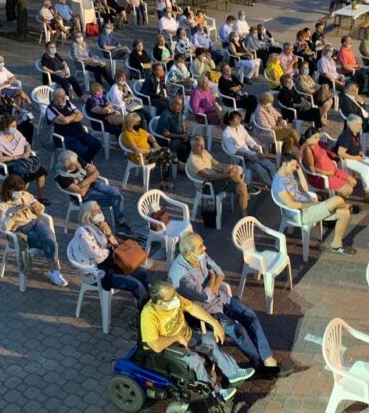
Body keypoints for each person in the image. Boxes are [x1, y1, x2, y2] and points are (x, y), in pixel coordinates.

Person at [170, 233, 290, 376]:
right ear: (189, 254)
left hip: (222, 298)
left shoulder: (200, 256)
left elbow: (220, 272)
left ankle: (268, 359)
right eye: (201, 247)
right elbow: (206, 298)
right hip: (206, 312)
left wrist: (214, 281)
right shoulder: (181, 276)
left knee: (250, 315)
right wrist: (213, 277)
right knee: (238, 330)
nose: (205, 248)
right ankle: (259, 365)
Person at [141, 281, 254, 402]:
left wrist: (214, 323)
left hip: (186, 336)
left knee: (210, 342)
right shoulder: (148, 315)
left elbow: (193, 308)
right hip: (170, 348)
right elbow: (155, 345)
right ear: (160, 303)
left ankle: (233, 373)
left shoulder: (174, 299)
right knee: (196, 361)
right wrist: (176, 338)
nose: (176, 298)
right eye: (172, 297)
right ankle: (215, 393)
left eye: (175, 294)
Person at [272, 155, 355, 255]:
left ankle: (336, 245)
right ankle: (347, 206)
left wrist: (300, 172)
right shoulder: (279, 183)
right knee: (337, 199)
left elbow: (305, 189)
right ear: (283, 164)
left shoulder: (289, 175)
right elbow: (291, 204)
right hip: (301, 213)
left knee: (345, 214)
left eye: (296, 165)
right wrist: (310, 204)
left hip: (310, 206)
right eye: (292, 165)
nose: (294, 168)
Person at [0, 174, 67, 286]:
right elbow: (4, 226)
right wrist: (14, 215)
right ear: (9, 189)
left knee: (50, 241)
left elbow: (40, 208)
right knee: (46, 242)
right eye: (17, 191)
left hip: (35, 222)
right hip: (21, 229)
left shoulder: (26, 195)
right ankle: (53, 270)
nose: (20, 193)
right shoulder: (2, 204)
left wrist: (38, 206)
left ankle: (54, 272)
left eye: (21, 190)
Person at [68, 200, 147, 299]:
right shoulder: (83, 233)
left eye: (99, 209)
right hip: (97, 272)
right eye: (97, 211)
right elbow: (99, 257)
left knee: (141, 273)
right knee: (136, 285)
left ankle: (150, 304)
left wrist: (109, 234)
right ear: (88, 215)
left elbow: (116, 245)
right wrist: (110, 250)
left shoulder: (98, 226)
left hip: (109, 263)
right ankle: (147, 310)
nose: (100, 212)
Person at [55, 149, 128, 232]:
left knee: (116, 191)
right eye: (73, 165)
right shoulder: (61, 177)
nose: (76, 166)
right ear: (66, 166)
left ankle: (120, 222)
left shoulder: (76, 159)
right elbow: (82, 193)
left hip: (94, 185)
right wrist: (90, 177)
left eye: (76, 163)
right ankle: (120, 225)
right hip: (83, 198)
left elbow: (96, 172)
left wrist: (83, 183)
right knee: (117, 199)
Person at [186, 135, 254, 214]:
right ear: (192, 147)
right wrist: (229, 175)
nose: (203, 147)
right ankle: (242, 182)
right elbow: (210, 177)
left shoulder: (204, 152)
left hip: (217, 179)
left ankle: (244, 214)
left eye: (203, 144)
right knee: (239, 177)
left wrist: (230, 167)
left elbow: (218, 164)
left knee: (242, 188)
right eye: (199, 146)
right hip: (207, 186)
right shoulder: (193, 161)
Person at [0, 115, 49, 204]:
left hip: (23, 161)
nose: (14, 128)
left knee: (40, 171)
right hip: (10, 165)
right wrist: (15, 157)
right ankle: (17, 199)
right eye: (12, 126)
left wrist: (27, 152)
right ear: (5, 127)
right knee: (23, 177)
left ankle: (40, 196)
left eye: (15, 126)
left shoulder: (16, 133)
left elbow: (27, 144)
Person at [335, 116, 369, 203]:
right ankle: (368, 194)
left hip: (355, 156)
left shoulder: (356, 133)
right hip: (346, 159)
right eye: (358, 124)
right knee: (365, 169)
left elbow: (357, 146)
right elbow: (340, 153)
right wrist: (355, 158)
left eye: (360, 124)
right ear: (350, 125)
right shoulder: (346, 136)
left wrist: (359, 152)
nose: (360, 126)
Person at [121, 112, 177, 190]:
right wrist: (152, 150)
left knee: (165, 155)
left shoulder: (138, 130)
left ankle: (164, 180)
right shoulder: (127, 134)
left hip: (149, 154)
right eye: (138, 122)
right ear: (131, 123)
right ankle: (176, 165)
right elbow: (136, 150)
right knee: (166, 152)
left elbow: (150, 135)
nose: (140, 123)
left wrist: (154, 143)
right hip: (140, 158)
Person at [222, 110, 277, 189]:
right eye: (237, 118)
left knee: (271, 165)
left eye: (239, 118)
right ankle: (272, 187)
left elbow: (249, 139)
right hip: (241, 159)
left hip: (250, 154)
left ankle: (276, 183)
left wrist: (258, 150)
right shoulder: (226, 133)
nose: (239, 120)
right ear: (230, 121)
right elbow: (231, 150)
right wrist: (246, 155)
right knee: (262, 171)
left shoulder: (240, 127)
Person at [299, 127, 356, 200]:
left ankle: (335, 197)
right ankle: (335, 200)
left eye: (318, 137)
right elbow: (311, 169)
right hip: (321, 177)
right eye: (315, 137)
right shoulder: (307, 149)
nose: (318, 139)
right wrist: (327, 173)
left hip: (333, 170)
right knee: (348, 190)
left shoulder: (318, 144)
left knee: (353, 182)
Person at [46, 89, 102, 163]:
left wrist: (68, 119)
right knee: (83, 152)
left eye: (64, 95)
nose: (64, 98)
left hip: (80, 132)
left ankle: (84, 163)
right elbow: (64, 121)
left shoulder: (68, 103)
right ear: (55, 98)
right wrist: (74, 115)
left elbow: (81, 116)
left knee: (97, 144)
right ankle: (84, 165)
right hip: (66, 137)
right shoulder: (50, 109)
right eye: (60, 97)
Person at [155, 96, 191, 163]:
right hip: (166, 140)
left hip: (178, 135)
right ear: (171, 104)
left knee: (194, 140)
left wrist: (185, 133)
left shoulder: (179, 112)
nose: (180, 107)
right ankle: (177, 162)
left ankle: (188, 160)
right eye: (178, 104)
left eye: (181, 104)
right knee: (179, 144)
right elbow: (166, 134)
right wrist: (181, 136)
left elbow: (183, 123)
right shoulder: (166, 115)